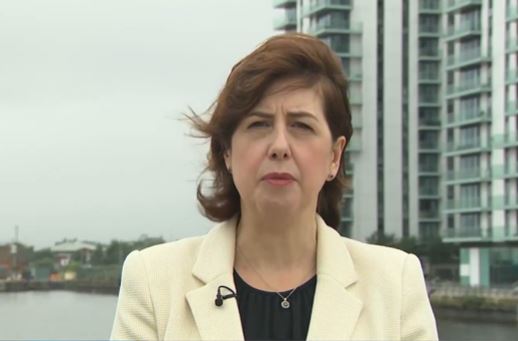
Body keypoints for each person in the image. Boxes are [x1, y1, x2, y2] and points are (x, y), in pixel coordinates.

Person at [110, 33, 438, 341]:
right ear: (227, 151)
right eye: (259, 124)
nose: (279, 145)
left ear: (334, 157)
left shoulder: (396, 284)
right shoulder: (153, 282)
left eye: (301, 126)